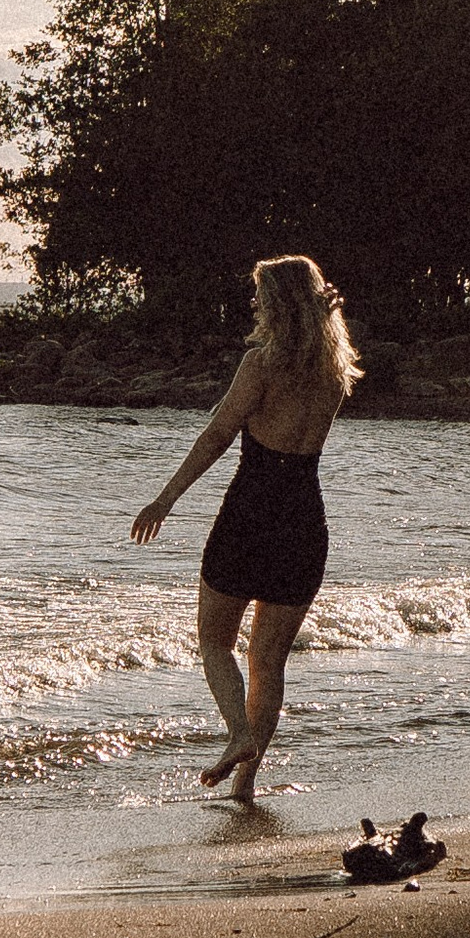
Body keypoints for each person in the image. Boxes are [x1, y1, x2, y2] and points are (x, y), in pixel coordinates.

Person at [131, 255, 361, 800]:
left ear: (277, 303)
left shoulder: (261, 364)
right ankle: (246, 783)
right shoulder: (336, 370)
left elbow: (216, 437)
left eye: (260, 294)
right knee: (268, 661)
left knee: (214, 639)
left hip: (251, 512)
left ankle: (237, 732)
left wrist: (164, 500)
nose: (254, 303)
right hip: (305, 517)